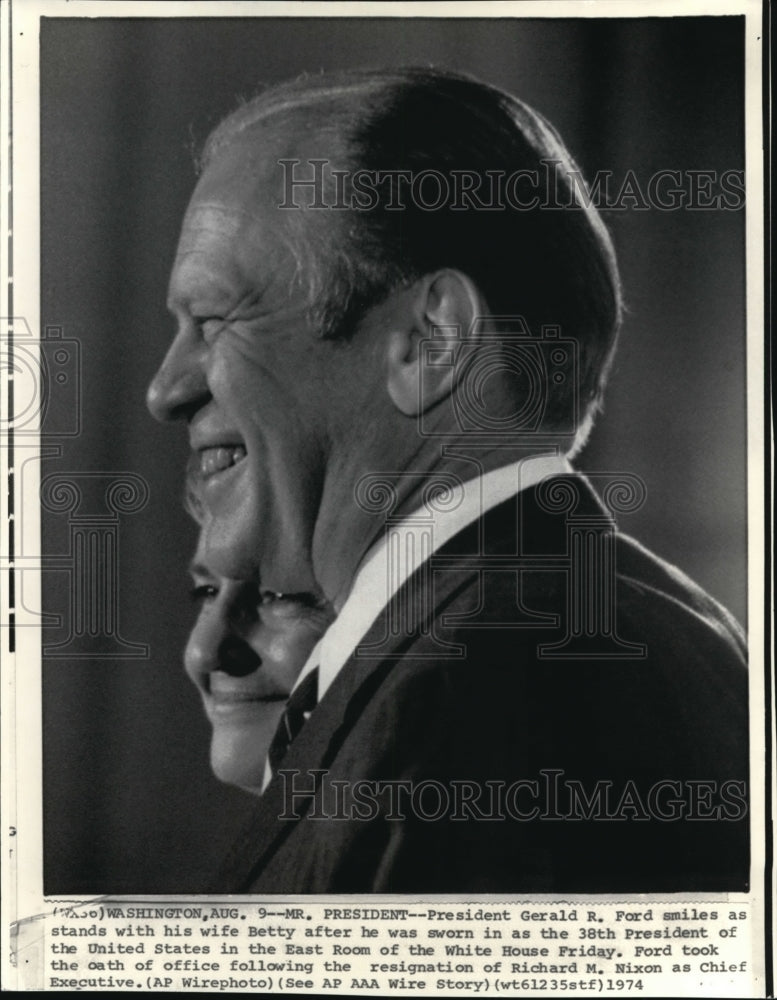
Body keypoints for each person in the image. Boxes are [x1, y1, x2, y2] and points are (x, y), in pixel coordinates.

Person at [147, 67, 748, 892]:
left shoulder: (473, 690)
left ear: (430, 341)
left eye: (213, 320)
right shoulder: (636, 626)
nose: (165, 388)